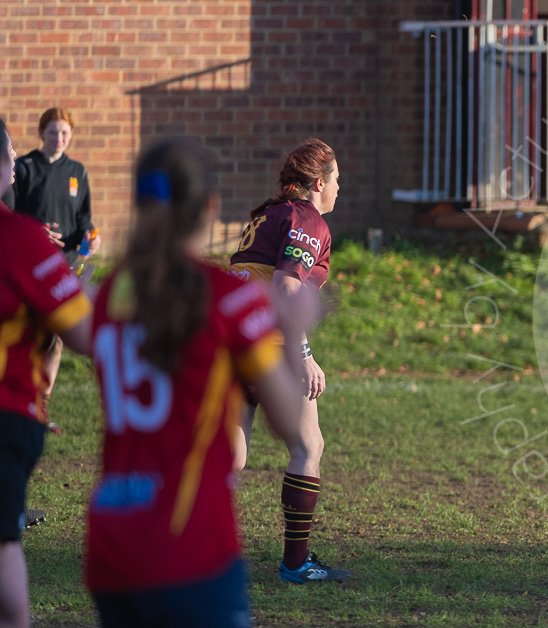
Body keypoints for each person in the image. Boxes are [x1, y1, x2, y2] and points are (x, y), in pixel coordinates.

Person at [85, 138, 320, 626]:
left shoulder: (112, 294)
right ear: (210, 208)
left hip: (111, 541)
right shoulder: (223, 301)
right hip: (187, 541)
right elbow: (283, 416)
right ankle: (297, 561)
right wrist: (297, 322)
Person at [227, 139, 349, 584]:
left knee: (229, 459)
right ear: (319, 183)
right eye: (337, 180)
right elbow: (285, 288)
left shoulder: (266, 213)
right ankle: (296, 564)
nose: (339, 189)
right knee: (307, 447)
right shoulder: (307, 220)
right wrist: (304, 355)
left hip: (232, 343)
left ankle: (181, 551)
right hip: (269, 346)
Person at [0, 116, 93, 627]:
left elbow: (87, 221)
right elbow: (84, 332)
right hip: (7, 411)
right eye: (10, 152)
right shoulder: (20, 239)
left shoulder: (75, 176)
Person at [2, 108, 97, 432]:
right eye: (53, 132)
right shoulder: (26, 168)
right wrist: (32, 232)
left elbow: (85, 218)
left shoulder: (77, 172)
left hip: (65, 261)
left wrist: (89, 237)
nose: (59, 138)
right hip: (26, 262)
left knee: (56, 336)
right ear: (42, 133)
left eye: (65, 133)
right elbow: (11, 211)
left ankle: (41, 403)